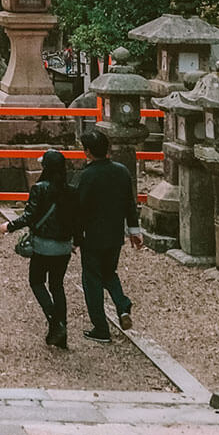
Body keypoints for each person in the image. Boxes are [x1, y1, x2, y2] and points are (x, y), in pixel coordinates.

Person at [5, 149, 78, 348]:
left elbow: (29, 215)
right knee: (57, 285)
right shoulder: (71, 190)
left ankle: (55, 322)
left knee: (36, 281)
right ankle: (62, 332)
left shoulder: (39, 188)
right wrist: (75, 241)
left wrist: (9, 226)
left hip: (43, 245)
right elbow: (77, 220)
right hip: (63, 246)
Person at [75, 129, 143, 343]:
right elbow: (129, 203)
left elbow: (80, 208)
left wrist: (74, 236)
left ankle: (101, 327)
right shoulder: (121, 171)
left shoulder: (87, 176)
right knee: (109, 272)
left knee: (92, 279)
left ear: (87, 152)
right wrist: (133, 229)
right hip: (115, 233)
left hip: (92, 234)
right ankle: (122, 305)